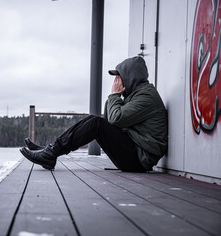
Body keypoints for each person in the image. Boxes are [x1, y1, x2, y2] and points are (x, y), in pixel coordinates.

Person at [20, 56, 167, 172]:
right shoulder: (136, 95)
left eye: (120, 76)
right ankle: (50, 150)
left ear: (131, 77)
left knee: (96, 123)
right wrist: (115, 97)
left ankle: (50, 153)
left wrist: (114, 95)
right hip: (135, 154)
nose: (117, 80)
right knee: (94, 121)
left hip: (139, 160)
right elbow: (109, 119)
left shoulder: (146, 97)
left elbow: (115, 119)